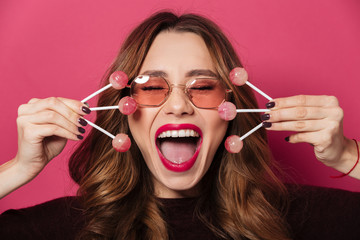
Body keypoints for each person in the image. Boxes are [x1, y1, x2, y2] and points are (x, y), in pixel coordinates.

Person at [0, 11, 359, 240]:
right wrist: (18, 169)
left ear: (231, 111)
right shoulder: (66, 229)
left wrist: (348, 157)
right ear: (124, 110)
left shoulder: (302, 220)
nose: (177, 105)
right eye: (153, 87)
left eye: (202, 87)